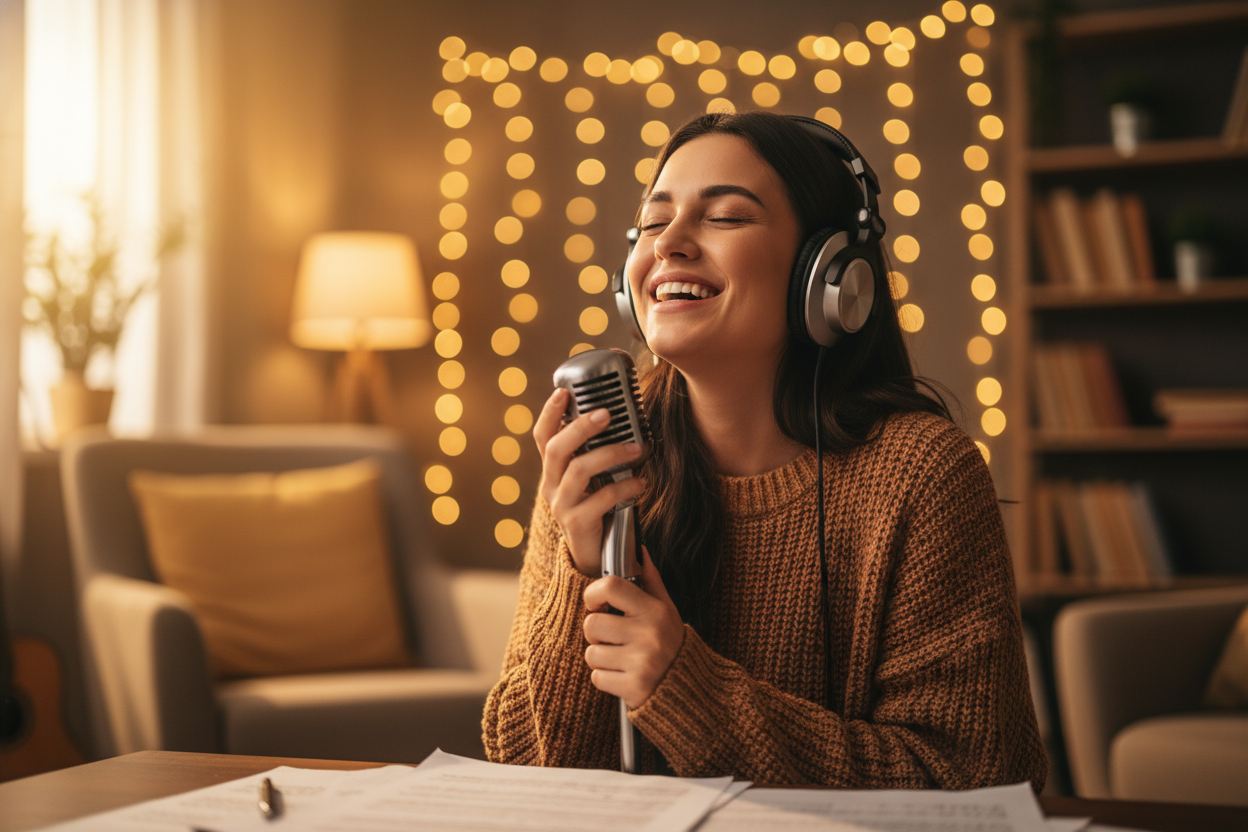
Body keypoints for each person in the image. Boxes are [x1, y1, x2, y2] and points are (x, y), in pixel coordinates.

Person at [483, 110, 1047, 790]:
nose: (671, 245)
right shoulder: (600, 458)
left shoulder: (922, 475)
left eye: (724, 217)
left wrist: (685, 687)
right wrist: (583, 567)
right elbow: (522, 774)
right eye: (654, 221)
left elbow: (975, 780)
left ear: (828, 278)